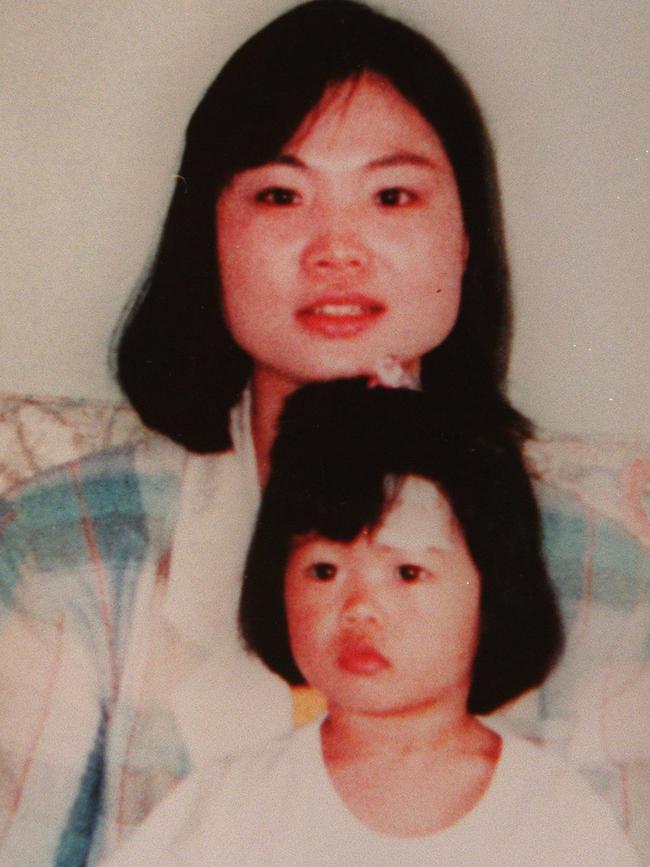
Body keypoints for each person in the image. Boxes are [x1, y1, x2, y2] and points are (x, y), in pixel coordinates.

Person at [1, 1, 647, 865]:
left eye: (391, 194)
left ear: (463, 240)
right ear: (211, 237)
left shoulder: (606, 575)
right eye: (280, 194)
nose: (336, 247)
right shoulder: (61, 552)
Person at [101, 382, 639, 866]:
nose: (358, 606)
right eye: (324, 570)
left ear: (495, 596)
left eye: (407, 572)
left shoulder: (551, 813)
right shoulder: (232, 801)